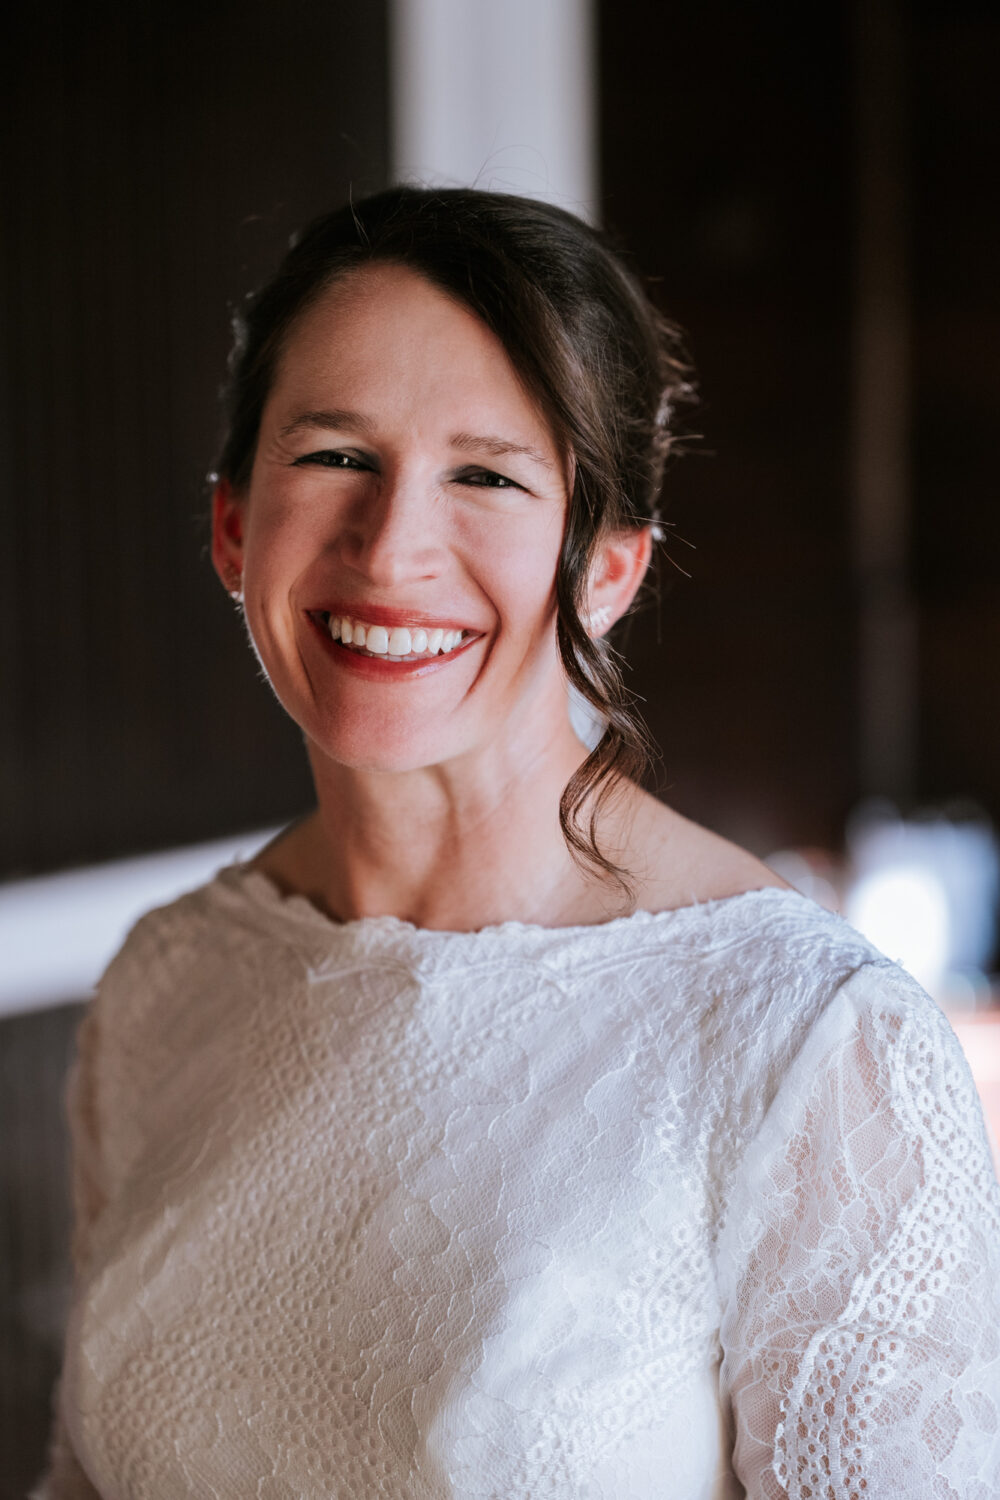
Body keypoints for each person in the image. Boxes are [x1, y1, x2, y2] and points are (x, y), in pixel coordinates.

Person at [38, 187, 1000, 1499]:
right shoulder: (166, 987)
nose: (392, 550)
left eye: (486, 475)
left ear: (607, 568)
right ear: (231, 526)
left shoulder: (810, 1049)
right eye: (333, 457)